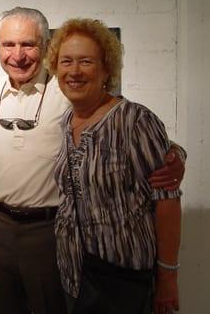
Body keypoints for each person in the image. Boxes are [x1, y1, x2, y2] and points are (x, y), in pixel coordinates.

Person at [0, 7, 185, 314]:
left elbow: (134, 133)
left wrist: (176, 155)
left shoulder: (67, 94)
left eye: (28, 44)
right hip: (3, 228)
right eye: (9, 44)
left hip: (56, 234)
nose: (18, 55)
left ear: (45, 47)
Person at [47, 18, 182, 314]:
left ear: (106, 69)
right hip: (75, 274)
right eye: (66, 61)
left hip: (123, 279)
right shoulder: (65, 122)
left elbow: (167, 199)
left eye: (86, 61)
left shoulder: (134, 120)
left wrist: (168, 275)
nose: (74, 71)